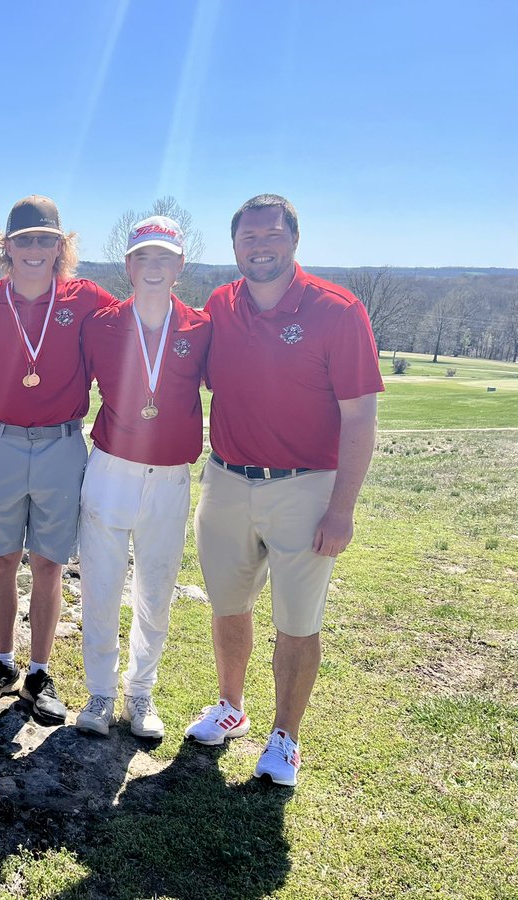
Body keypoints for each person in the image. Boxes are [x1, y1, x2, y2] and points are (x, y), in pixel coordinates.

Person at [186, 194, 383, 786]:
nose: (259, 247)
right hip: (225, 481)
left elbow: (361, 418)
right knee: (228, 605)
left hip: (306, 488)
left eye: (270, 236)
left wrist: (342, 509)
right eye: (248, 238)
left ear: (293, 240)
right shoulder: (221, 304)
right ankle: (230, 707)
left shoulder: (338, 311)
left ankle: (285, 738)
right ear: (234, 246)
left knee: (297, 620)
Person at [0, 196, 115, 725]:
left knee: (49, 562)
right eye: (23, 240)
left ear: (60, 246)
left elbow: (135, 337)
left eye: (45, 240)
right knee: (1, 559)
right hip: (0, 442)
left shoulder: (88, 298)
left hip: (61, 443)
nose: (34, 250)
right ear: (7, 248)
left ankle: (40, 672)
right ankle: (2, 661)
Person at [76, 216, 211, 738]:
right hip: (111, 468)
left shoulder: (200, 328)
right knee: (102, 587)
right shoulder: (102, 324)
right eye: (143, 257)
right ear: (129, 265)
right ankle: (100, 694)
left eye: (164, 257)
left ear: (181, 265)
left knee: (156, 588)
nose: (153, 267)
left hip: (171, 474)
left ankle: (141, 692)